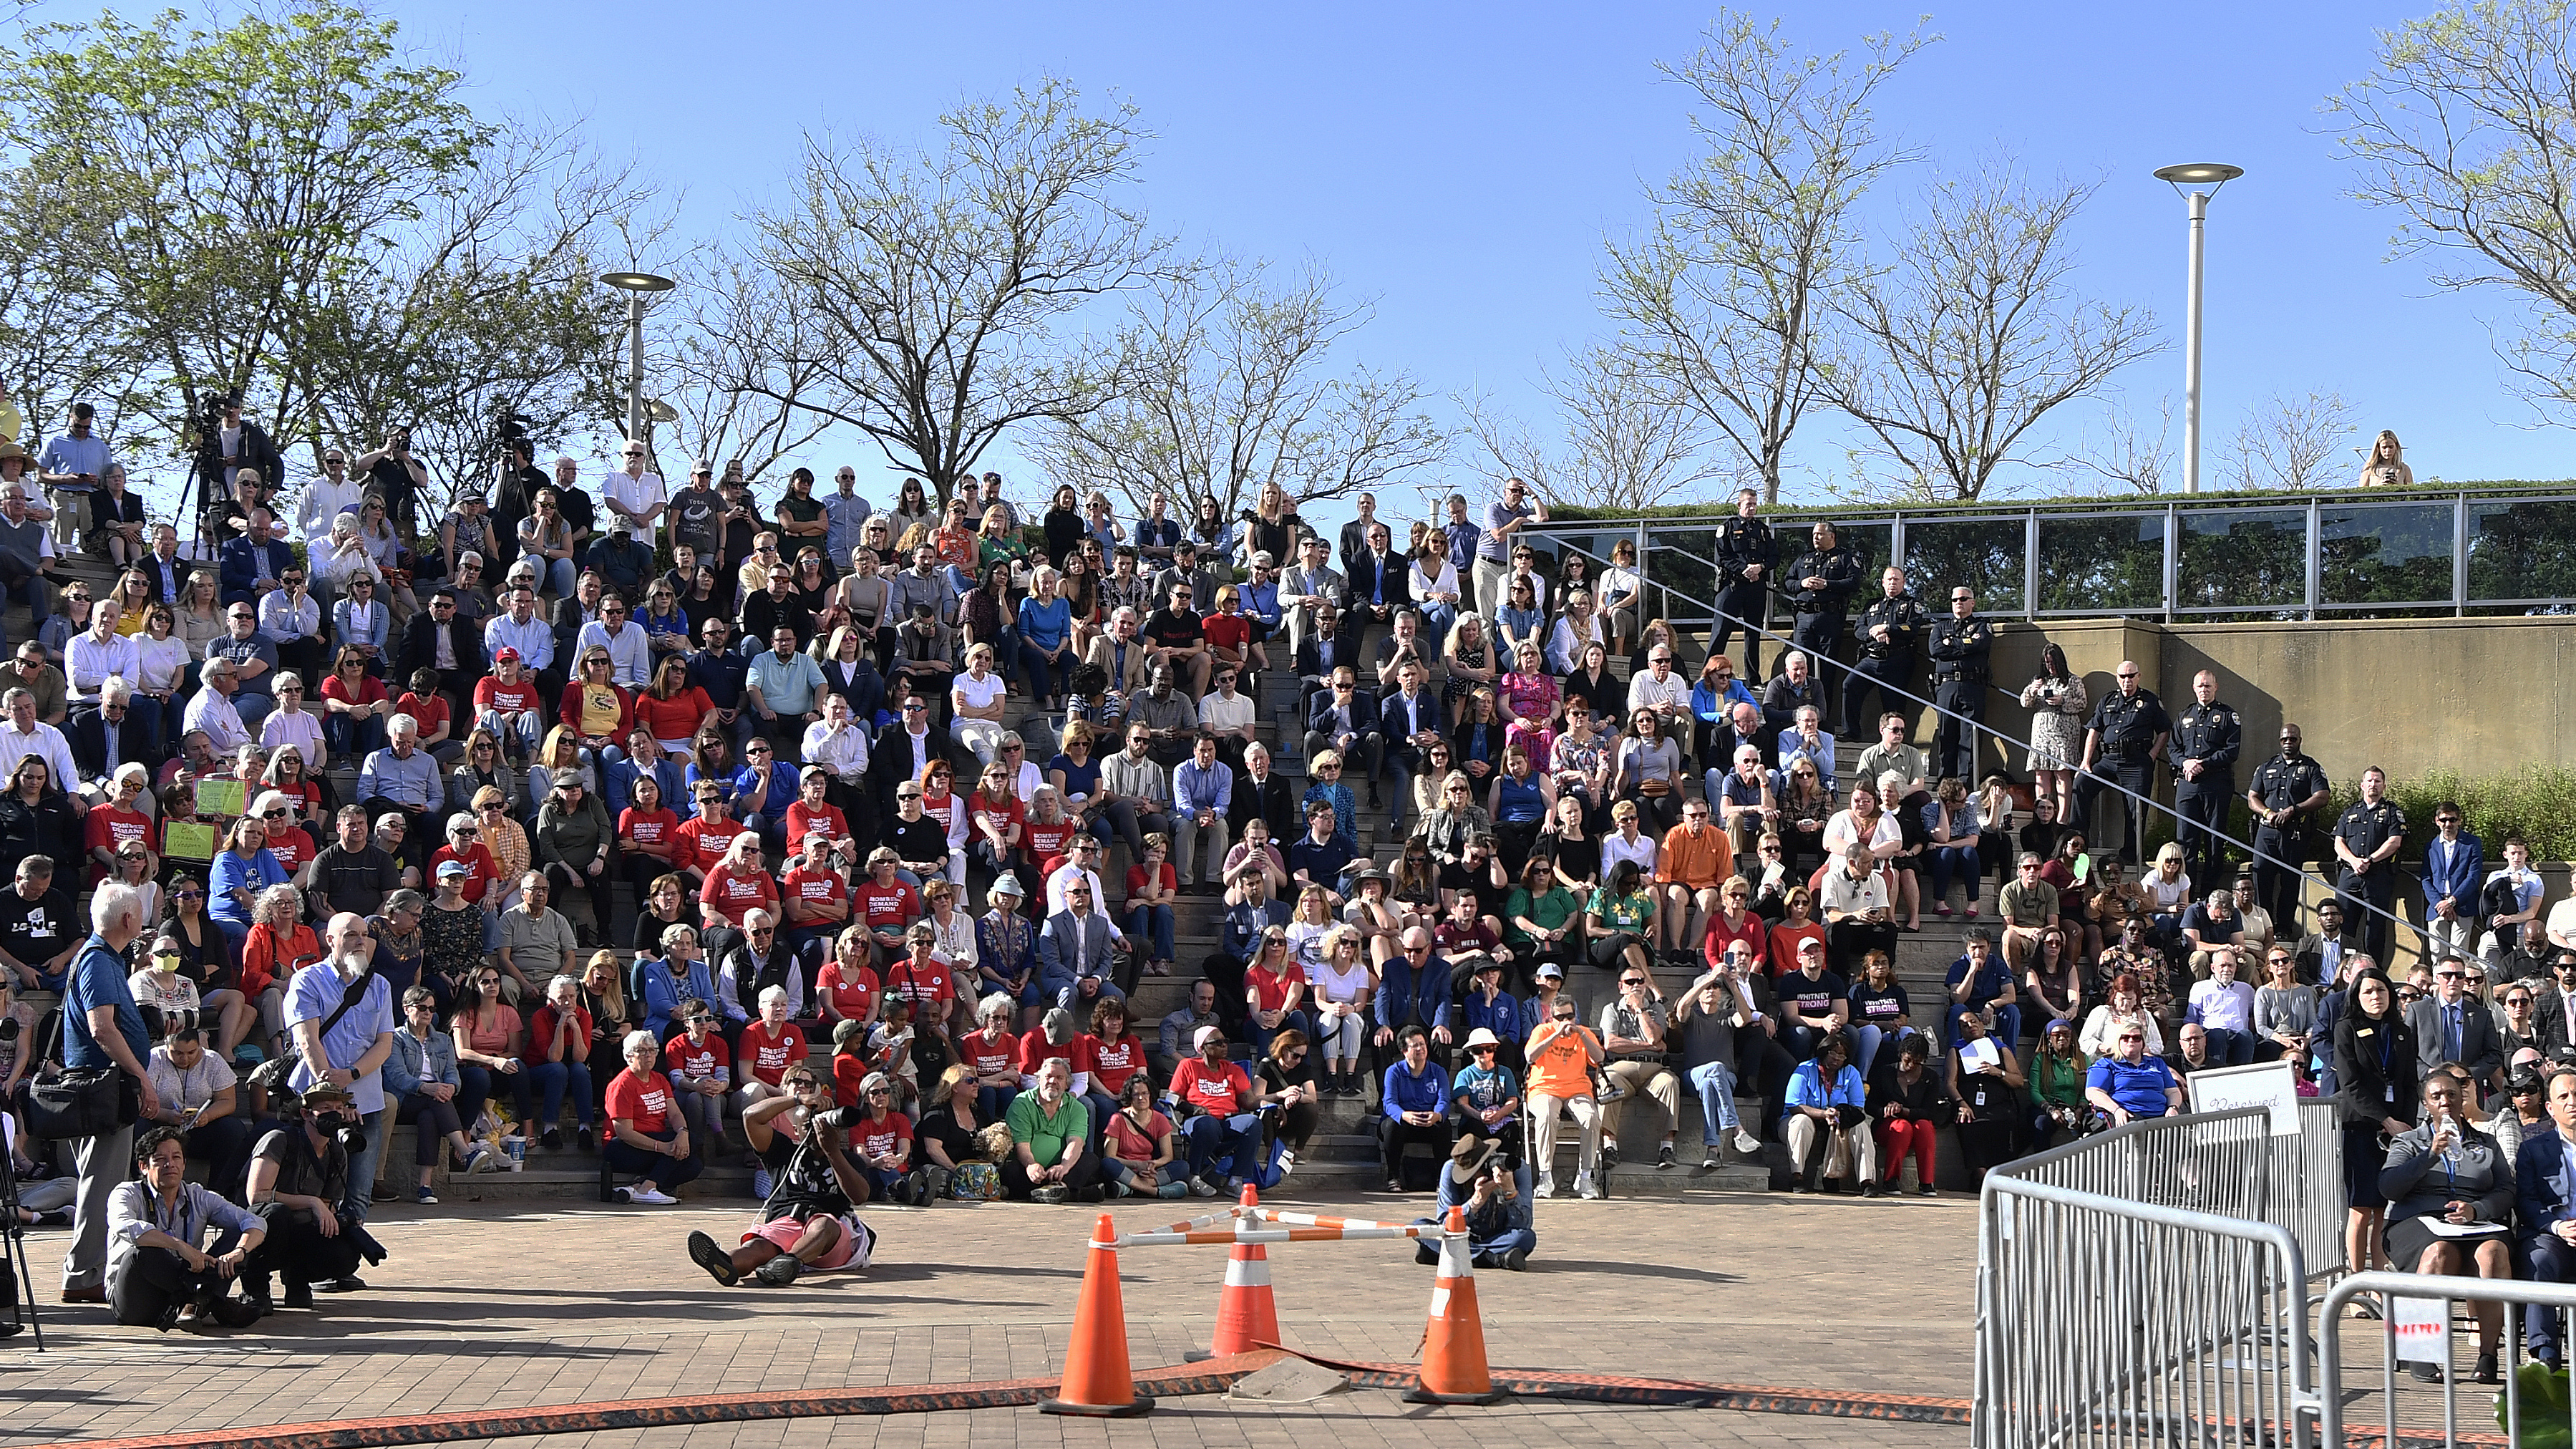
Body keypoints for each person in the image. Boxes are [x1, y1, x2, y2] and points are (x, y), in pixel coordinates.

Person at [61, 883, 160, 1303]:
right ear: (127, 920)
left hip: (105, 1087)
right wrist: (142, 1076)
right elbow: (102, 1028)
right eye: (139, 913)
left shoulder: (106, 959)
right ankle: (85, 1275)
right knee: (102, 1184)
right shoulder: (99, 961)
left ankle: (89, 1272)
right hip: (105, 1088)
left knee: (103, 1181)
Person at [2382, 1075, 2512, 1384]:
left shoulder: (2485, 1143)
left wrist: (2477, 1210)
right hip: (2419, 1221)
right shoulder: (2408, 1142)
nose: (2446, 1102)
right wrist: (2429, 1156)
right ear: (2426, 1104)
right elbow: (2389, 1186)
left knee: (2494, 1253)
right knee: (2439, 1252)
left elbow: (2507, 1189)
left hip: (2474, 1222)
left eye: (2453, 1095)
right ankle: (2422, 1350)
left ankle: (2488, 1355)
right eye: (2437, 1096)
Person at [107, 1125, 267, 1330]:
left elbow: (255, 1222)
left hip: (181, 1284)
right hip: (137, 1299)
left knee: (240, 1235)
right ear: (144, 1166)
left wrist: (240, 1251)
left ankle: (195, 1303)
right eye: (160, 1159)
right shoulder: (126, 1193)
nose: (169, 1165)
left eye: (176, 1158)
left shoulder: (198, 1195)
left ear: (184, 1164)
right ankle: (210, 1302)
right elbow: (124, 1226)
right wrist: (180, 1246)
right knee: (140, 1252)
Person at [2334, 970, 2416, 1282]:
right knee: (2361, 1208)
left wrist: (2404, 1123)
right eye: (2368, 991)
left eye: (2381, 990)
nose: (2375, 997)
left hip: (2398, 1130)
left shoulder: (2401, 1031)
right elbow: (2351, 1084)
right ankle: (2356, 1284)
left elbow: (2409, 1081)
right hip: (2361, 1126)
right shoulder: (2347, 1028)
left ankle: (2379, 1281)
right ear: (2356, 995)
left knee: (2383, 1208)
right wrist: (2386, 1121)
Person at [2073, 661, 2170, 867]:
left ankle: (2130, 856)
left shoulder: (2150, 701)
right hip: (2108, 760)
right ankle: (2078, 847)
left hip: (2136, 762)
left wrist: (2152, 755)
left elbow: (2164, 730)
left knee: (2135, 807)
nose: (2127, 680)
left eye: (2131, 676)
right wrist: (2086, 761)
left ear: (2138, 676)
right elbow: (2094, 730)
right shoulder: (2107, 699)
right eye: (2123, 677)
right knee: (2081, 785)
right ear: (2118, 678)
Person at [2516, 1071, 2576, 1369]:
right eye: (2563, 1097)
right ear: (2550, 1108)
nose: (2572, 1102)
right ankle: (2544, 1354)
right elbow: (2525, 1202)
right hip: (2554, 1236)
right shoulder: (2533, 1148)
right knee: (2538, 1259)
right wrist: (2557, 1226)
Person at [603, 1029, 701, 1205]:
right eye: (641, 1051)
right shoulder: (621, 1085)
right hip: (623, 1147)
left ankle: (640, 1186)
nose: (648, 1055)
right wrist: (662, 1147)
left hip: (654, 1144)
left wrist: (683, 1132)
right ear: (629, 1056)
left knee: (694, 1164)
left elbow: (675, 1113)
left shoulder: (659, 1079)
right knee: (687, 1144)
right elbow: (624, 1133)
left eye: (652, 1050)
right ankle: (647, 1188)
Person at [1782, 1033, 1875, 1195]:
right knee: (1801, 1121)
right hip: (1799, 1122)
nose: (1837, 1058)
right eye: (1833, 1053)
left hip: (1837, 1123)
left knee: (1860, 1126)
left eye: (1842, 1055)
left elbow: (1857, 1107)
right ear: (1824, 1052)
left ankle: (1868, 1181)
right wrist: (1824, 1114)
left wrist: (1838, 1114)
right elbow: (1794, 1106)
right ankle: (1797, 1177)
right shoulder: (1804, 1069)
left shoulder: (1851, 1073)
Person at [1007, 1056, 1099, 1203]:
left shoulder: (1077, 1108)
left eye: (1059, 1078)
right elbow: (1021, 1144)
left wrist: (1064, 1167)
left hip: (1060, 1172)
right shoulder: (1022, 1103)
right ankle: (1073, 1193)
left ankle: (1056, 1188)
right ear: (1039, 1079)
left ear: (1067, 1084)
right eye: (1048, 1076)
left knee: (1091, 1160)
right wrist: (1031, 1165)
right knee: (1010, 1170)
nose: (1053, 1081)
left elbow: (1076, 1142)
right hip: (1029, 1169)